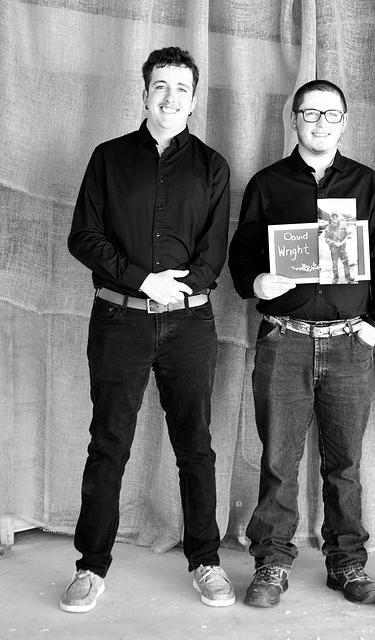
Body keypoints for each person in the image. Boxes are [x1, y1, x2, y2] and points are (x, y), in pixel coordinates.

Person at [63, 47, 233, 612]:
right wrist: (143, 281)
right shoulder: (108, 158)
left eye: (181, 88)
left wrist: (176, 290)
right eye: (160, 86)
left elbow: (213, 254)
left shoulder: (212, 167)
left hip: (189, 325)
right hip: (119, 321)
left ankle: (206, 560)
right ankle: (90, 567)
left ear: (194, 99)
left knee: (195, 446)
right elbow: (84, 237)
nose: (170, 97)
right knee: (108, 444)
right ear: (143, 94)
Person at [228, 79, 375, 608]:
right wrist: (257, 282)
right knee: (279, 461)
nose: (320, 123)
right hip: (285, 340)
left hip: (350, 343)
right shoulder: (268, 184)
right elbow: (241, 256)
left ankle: (346, 563)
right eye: (310, 113)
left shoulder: (366, 183)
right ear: (294, 119)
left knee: (345, 464)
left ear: (344, 121)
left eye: (331, 114)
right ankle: (272, 563)